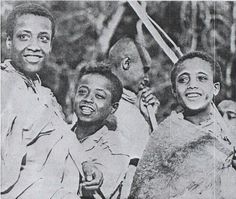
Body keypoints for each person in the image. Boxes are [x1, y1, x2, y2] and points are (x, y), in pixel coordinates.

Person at [1, 3, 102, 198]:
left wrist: (86, 163)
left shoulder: (45, 93)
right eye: (24, 36)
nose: (34, 46)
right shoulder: (4, 85)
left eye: (43, 38)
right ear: (8, 42)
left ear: (50, 45)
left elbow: (64, 133)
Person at [130, 51, 236, 199]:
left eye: (201, 78)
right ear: (174, 90)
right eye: (183, 80)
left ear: (215, 88)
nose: (192, 85)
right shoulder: (164, 136)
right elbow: (144, 190)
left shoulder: (229, 136)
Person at [108, 37, 160, 197]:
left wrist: (149, 119)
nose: (147, 77)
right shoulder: (102, 102)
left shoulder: (135, 108)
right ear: (126, 64)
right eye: (145, 69)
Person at [71, 65, 130, 198]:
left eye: (99, 96)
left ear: (113, 108)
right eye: (82, 92)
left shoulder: (115, 149)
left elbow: (90, 190)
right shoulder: (62, 133)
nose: (88, 99)